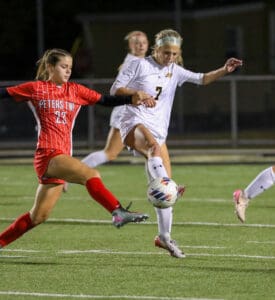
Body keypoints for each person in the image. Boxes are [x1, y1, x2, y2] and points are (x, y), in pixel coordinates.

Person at [0, 48, 156, 249]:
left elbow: (105, 101)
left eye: (70, 68)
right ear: (50, 67)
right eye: (63, 67)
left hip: (61, 158)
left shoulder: (75, 90)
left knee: (37, 217)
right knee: (90, 173)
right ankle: (118, 212)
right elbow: (4, 92)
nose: (68, 71)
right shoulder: (35, 88)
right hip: (48, 154)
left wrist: (132, 97)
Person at [109, 28, 243, 258]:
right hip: (133, 122)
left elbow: (202, 79)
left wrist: (224, 70)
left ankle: (164, 237)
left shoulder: (175, 71)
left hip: (159, 133)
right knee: (155, 157)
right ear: (156, 49)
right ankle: (163, 182)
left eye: (174, 53)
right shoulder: (140, 65)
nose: (169, 57)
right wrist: (138, 93)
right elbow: (115, 89)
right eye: (165, 52)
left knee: (166, 196)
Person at [81, 30, 149, 169]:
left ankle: (163, 184)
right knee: (111, 153)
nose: (141, 46)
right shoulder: (132, 62)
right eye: (136, 43)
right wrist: (139, 93)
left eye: (143, 42)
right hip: (126, 112)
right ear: (130, 46)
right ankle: (72, 171)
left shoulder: (143, 62)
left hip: (138, 113)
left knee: (152, 151)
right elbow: (118, 88)